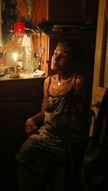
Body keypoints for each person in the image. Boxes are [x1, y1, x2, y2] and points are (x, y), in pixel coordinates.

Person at [16, 38, 91, 191]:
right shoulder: (48, 82)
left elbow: (87, 115)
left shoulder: (78, 82)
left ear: (74, 61)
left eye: (62, 55)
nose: (55, 58)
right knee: (24, 153)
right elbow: (45, 112)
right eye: (55, 53)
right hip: (47, 135)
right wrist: (32, 119)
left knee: (53, 166)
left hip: (67, 140)